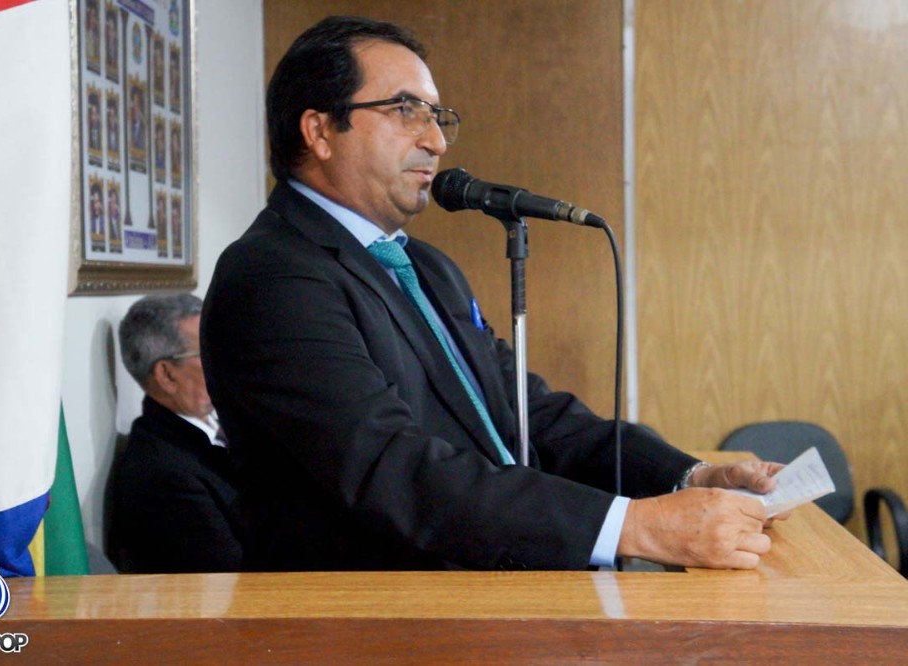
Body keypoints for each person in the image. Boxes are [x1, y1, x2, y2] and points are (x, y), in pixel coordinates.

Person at [202, 15, 783, 572]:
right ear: (320, 131)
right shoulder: (272, 277)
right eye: (406, 111)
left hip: (496, 580)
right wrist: (637, 527)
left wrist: (689, 477)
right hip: (383, 610)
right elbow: (391, 467)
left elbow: (529, 412)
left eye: (437, 117)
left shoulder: (425, 266)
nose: (436, 141)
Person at [110, 293, 245, 573]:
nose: (225, 361)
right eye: (207, 352)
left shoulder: (224, 422)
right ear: (167, 375)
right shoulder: (165, 474)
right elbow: (233, 576)